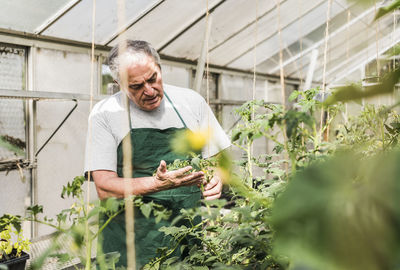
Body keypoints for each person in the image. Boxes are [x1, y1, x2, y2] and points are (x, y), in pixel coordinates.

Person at [84, 40, 231, 268]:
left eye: (153, 78)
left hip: (186, 236)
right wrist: (156, 184)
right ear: (118, 84)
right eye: (136, 86)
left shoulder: (191, 102)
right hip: (129, 243)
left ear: (160, 68)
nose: (150, 90)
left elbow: (217, 158)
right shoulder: (106, 114)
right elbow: (104, 187)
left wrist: (217, 178)